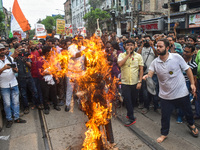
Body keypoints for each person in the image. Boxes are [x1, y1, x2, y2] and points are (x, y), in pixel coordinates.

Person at [143, 39, 199, 143]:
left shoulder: (176, 57)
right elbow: (150, 73)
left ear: (167, 48)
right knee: (164, 117)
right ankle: (164, 133)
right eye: (157, 46)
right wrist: (147, 76)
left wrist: (191, 83)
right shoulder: (155, 62)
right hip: (165, 96)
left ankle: (191, 124)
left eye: (160, 46)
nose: (158, 48)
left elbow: (188, 69)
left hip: (181, 92)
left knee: (188, 112)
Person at [118, 39, 143, 126]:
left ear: (135, 46)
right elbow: (120, 64)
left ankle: (129, 114)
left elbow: (141, 69)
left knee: (133, 100)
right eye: (128, 45)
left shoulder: (138, 56)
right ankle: (132, 118)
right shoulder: (121, 55)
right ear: (124, 46)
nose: (130, 47)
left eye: (131, 45)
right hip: (125, 82)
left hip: (135, 82)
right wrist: (128, 55)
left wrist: (140, 81)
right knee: (127, 100)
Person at [0, 43, 26, 128]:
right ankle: (9, 119)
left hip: (14, 84)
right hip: (4, 86)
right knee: (7, 103)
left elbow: (16, 71)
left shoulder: (10, 58)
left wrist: (15, 69)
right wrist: (3, 68)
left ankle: (17, 117)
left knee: (16, 102)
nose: (2, 51)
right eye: (0, 50)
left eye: (3, 49)